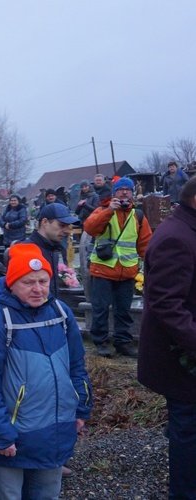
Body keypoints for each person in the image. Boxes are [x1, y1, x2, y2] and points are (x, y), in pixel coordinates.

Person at [0, 244, 92, 500]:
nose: (38, 289)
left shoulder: (60, 313)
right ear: (11, 283)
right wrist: (0, 434)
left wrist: (81, 408)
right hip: (10, 438)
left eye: (43, 281)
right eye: (28, 282)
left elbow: (76, 366)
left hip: (52, 432)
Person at [138, 176, 196, 498]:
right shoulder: (177, 237)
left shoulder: (187, 228)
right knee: (188, 436)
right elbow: (165, 304)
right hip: (183, 363)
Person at [84, 177, 152, 358]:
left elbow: (145, 243)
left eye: (127, 190)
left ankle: (123, 343)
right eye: (120, 189)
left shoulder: (137, 215)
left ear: (132, 194)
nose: (124, 192)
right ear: (114, 193)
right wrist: (108, 211)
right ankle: (100, 342)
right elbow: (90, 228)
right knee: (100, 309)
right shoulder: (102, 210)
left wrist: (152, 266)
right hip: (103, 270)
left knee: (124, 310)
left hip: (127, 271)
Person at [13, 203, 79, 300]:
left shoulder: (52, 249)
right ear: (45, 222)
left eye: (67, 226)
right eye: (61, 225)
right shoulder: (26, 251)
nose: (66, 231)